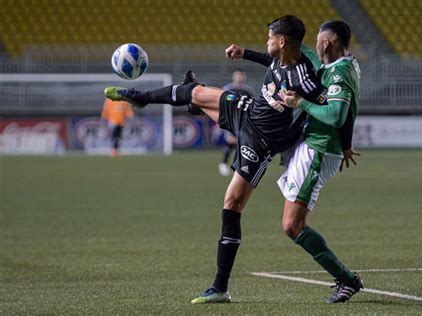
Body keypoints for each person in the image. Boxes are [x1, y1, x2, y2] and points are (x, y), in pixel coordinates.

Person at [104, 15, 328, 304]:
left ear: (282, 41)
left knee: (232, 204)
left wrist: (320, 128)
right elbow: (269, 61)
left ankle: (220, 287)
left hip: (259, 143)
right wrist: (244, 53)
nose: (266, 42)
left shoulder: (304, 78)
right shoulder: (281, 59)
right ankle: (139, 97)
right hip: (248, 112)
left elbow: (327, 107)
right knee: (193, 91)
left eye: (269, 38)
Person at [227, 20, 362, 303]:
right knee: (292, 224)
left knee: (292, 225)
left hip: (319, 150)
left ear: (327, 43)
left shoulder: (339, 75)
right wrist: (245, 53)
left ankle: (347, 279)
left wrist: (300, 103)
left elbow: (337, 116)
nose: (311, 46)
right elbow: (282, 59)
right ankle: (346, 279)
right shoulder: (332, 65)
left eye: (316, 40)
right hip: (311, 145)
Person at [219, 70, 254, 176]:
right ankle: (224, 164)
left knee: (241, 143)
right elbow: (221, 102)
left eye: (241, 75)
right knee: (232, 141)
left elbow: (252, 105)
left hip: (243, 121)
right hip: (230, 119)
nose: (240, 77)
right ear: (234, 77)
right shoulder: (228, 89)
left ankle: (238, 166)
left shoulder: (248, 91)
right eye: (238, 75)